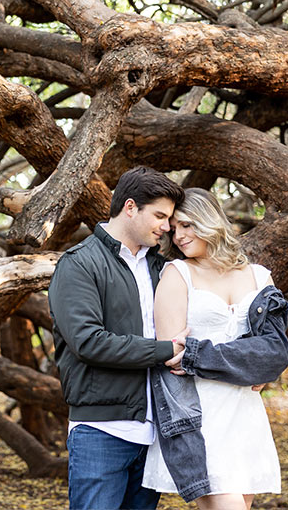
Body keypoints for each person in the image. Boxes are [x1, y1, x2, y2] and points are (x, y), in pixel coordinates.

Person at [49, 166, 187, 510]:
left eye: (169, 218)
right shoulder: (79, 264)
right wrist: (164, 351)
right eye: (159, 215)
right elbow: (88, 341)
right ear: (129, 207)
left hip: (155, 432)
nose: (167, 227)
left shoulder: (163, 268)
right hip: (101, 431)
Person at [143, 188, 288, 510]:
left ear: (210, 221)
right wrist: (246, 362)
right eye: (175, 228)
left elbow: (276, 351)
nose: (179, 236)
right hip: (198, 412)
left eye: (188, 225)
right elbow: (173, 356)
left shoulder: (259, 276)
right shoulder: (178, 274)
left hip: (244, 410)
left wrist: (206, 356)